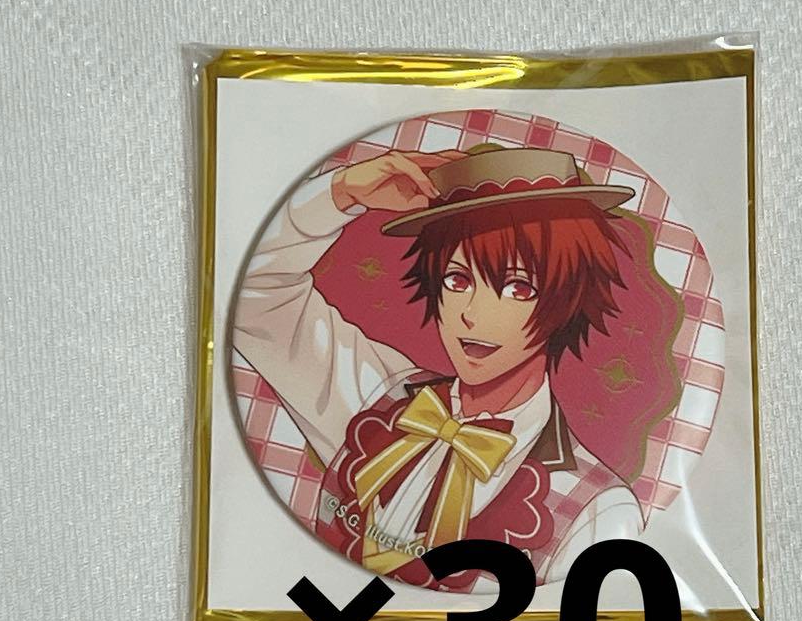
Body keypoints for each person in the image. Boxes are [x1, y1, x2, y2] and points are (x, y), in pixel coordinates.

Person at [233, 145, 649, 593]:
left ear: (568, 302)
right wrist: (341, 192)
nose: (472, 314)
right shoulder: (379, 396)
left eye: (517, 287)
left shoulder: (595, 509)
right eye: (457, 280)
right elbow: (249, 295)